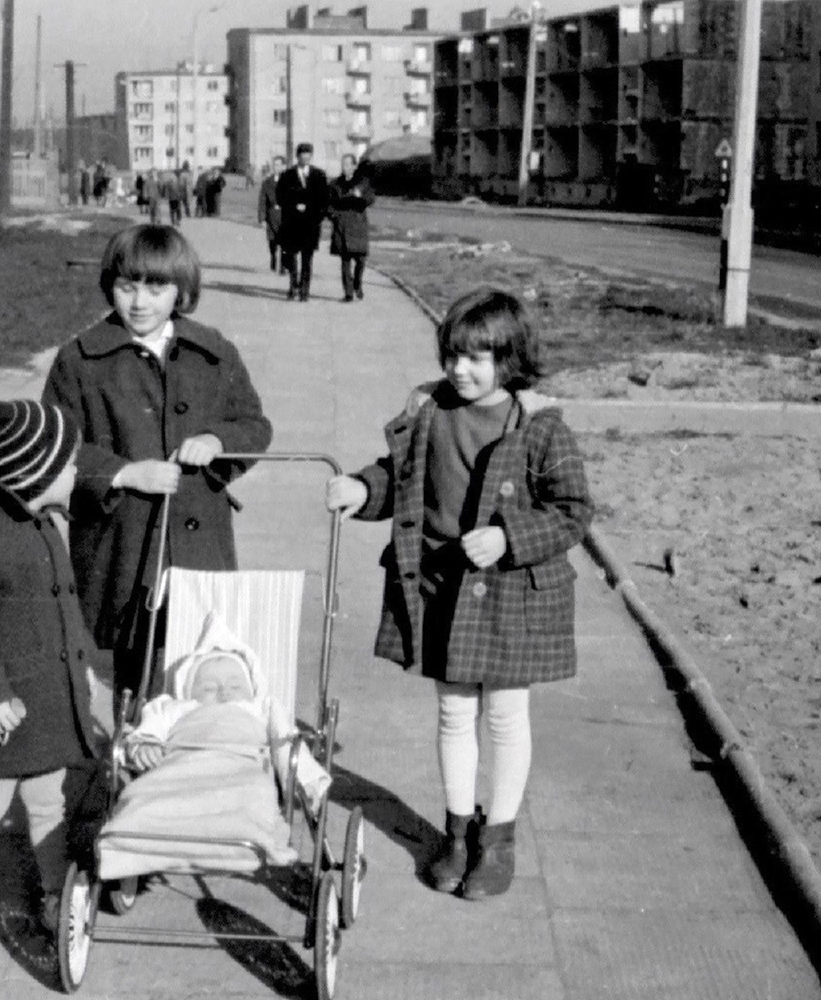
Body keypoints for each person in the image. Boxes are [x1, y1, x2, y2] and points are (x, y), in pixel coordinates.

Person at [324, 288, 593, 900]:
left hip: (510, 594)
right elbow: (399, 477)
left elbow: (573, 511)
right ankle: (457, 833)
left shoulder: (539, 425)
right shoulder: (430, 411)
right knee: (452, 712)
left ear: (510, 358)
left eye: (477, 357)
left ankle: (498, 839)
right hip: (442, 586)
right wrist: (363, 489)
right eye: (452, 355)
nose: (460, 369)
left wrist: (508, 537)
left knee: (505, 715)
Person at [41, 223, 273, 717]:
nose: (140, 302)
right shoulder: (79, 361)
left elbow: (253, 425)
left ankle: (193, 749)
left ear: (181, 291)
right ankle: (132, 748)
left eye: (156, 289)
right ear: (110, 286)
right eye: (127, 287)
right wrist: (123, 474)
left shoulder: (213, 352)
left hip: (199, 538)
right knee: (136, 664)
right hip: (123, 541)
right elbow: (56, 447)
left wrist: (218, 441)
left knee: (203, 657)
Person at [0, 399, 101, 966]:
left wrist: (81, 669)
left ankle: (55, 895)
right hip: (3, 718)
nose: (76, 472)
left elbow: (65, 610)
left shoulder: (45, 526)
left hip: (45, 705)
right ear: (34, 474)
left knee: (48, 801)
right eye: (68, 465)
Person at [119, 614, 331, 805]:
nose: (224, 692)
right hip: (183, 775)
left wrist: (301, 778)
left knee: (250, 806)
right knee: (151, 803)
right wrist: (146, 743)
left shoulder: (261, 708)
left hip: (242, 778)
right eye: (209, 688)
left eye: (236, 686)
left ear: (253, 690)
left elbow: (285, 740)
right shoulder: (176, 708)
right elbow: (153, 721)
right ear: (187, 693)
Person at [275, 142, 329, 302]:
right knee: (291, 258)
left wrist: (314, 214)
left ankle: (305, 290)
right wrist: (294, 206)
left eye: (308, 155)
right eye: (302, 155)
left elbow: (323, 200)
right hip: (292, 224)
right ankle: (293, 286)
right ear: (297, 156)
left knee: (307, 259)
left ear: (311, 156)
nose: (305, 158)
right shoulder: (287, 175)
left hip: (310, 225)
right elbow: (280, 197)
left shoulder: (319, 175)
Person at [327, 154, 375, 302]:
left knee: (361, 259)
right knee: (345, 260)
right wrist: (334, 216)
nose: (345, 167)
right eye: (343, 164)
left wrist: (360, 196)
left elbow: (371, 199)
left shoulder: (363, 182)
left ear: (354, 166)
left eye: (348, 164)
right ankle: (348, 293)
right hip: (342, 225)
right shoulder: (335, 184)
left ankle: (357, 283)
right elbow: (328, 204)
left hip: (358, 224)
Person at [256, 157, 285, 273]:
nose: (276, 167)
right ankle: (273, 257)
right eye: (274, 165)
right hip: (271, 215)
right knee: (272, 241)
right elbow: (262, 201)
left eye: (278, 165)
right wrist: (262, 219)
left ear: (283, 166)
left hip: (284, 215)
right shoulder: (267, 182)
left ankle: (283, 266)